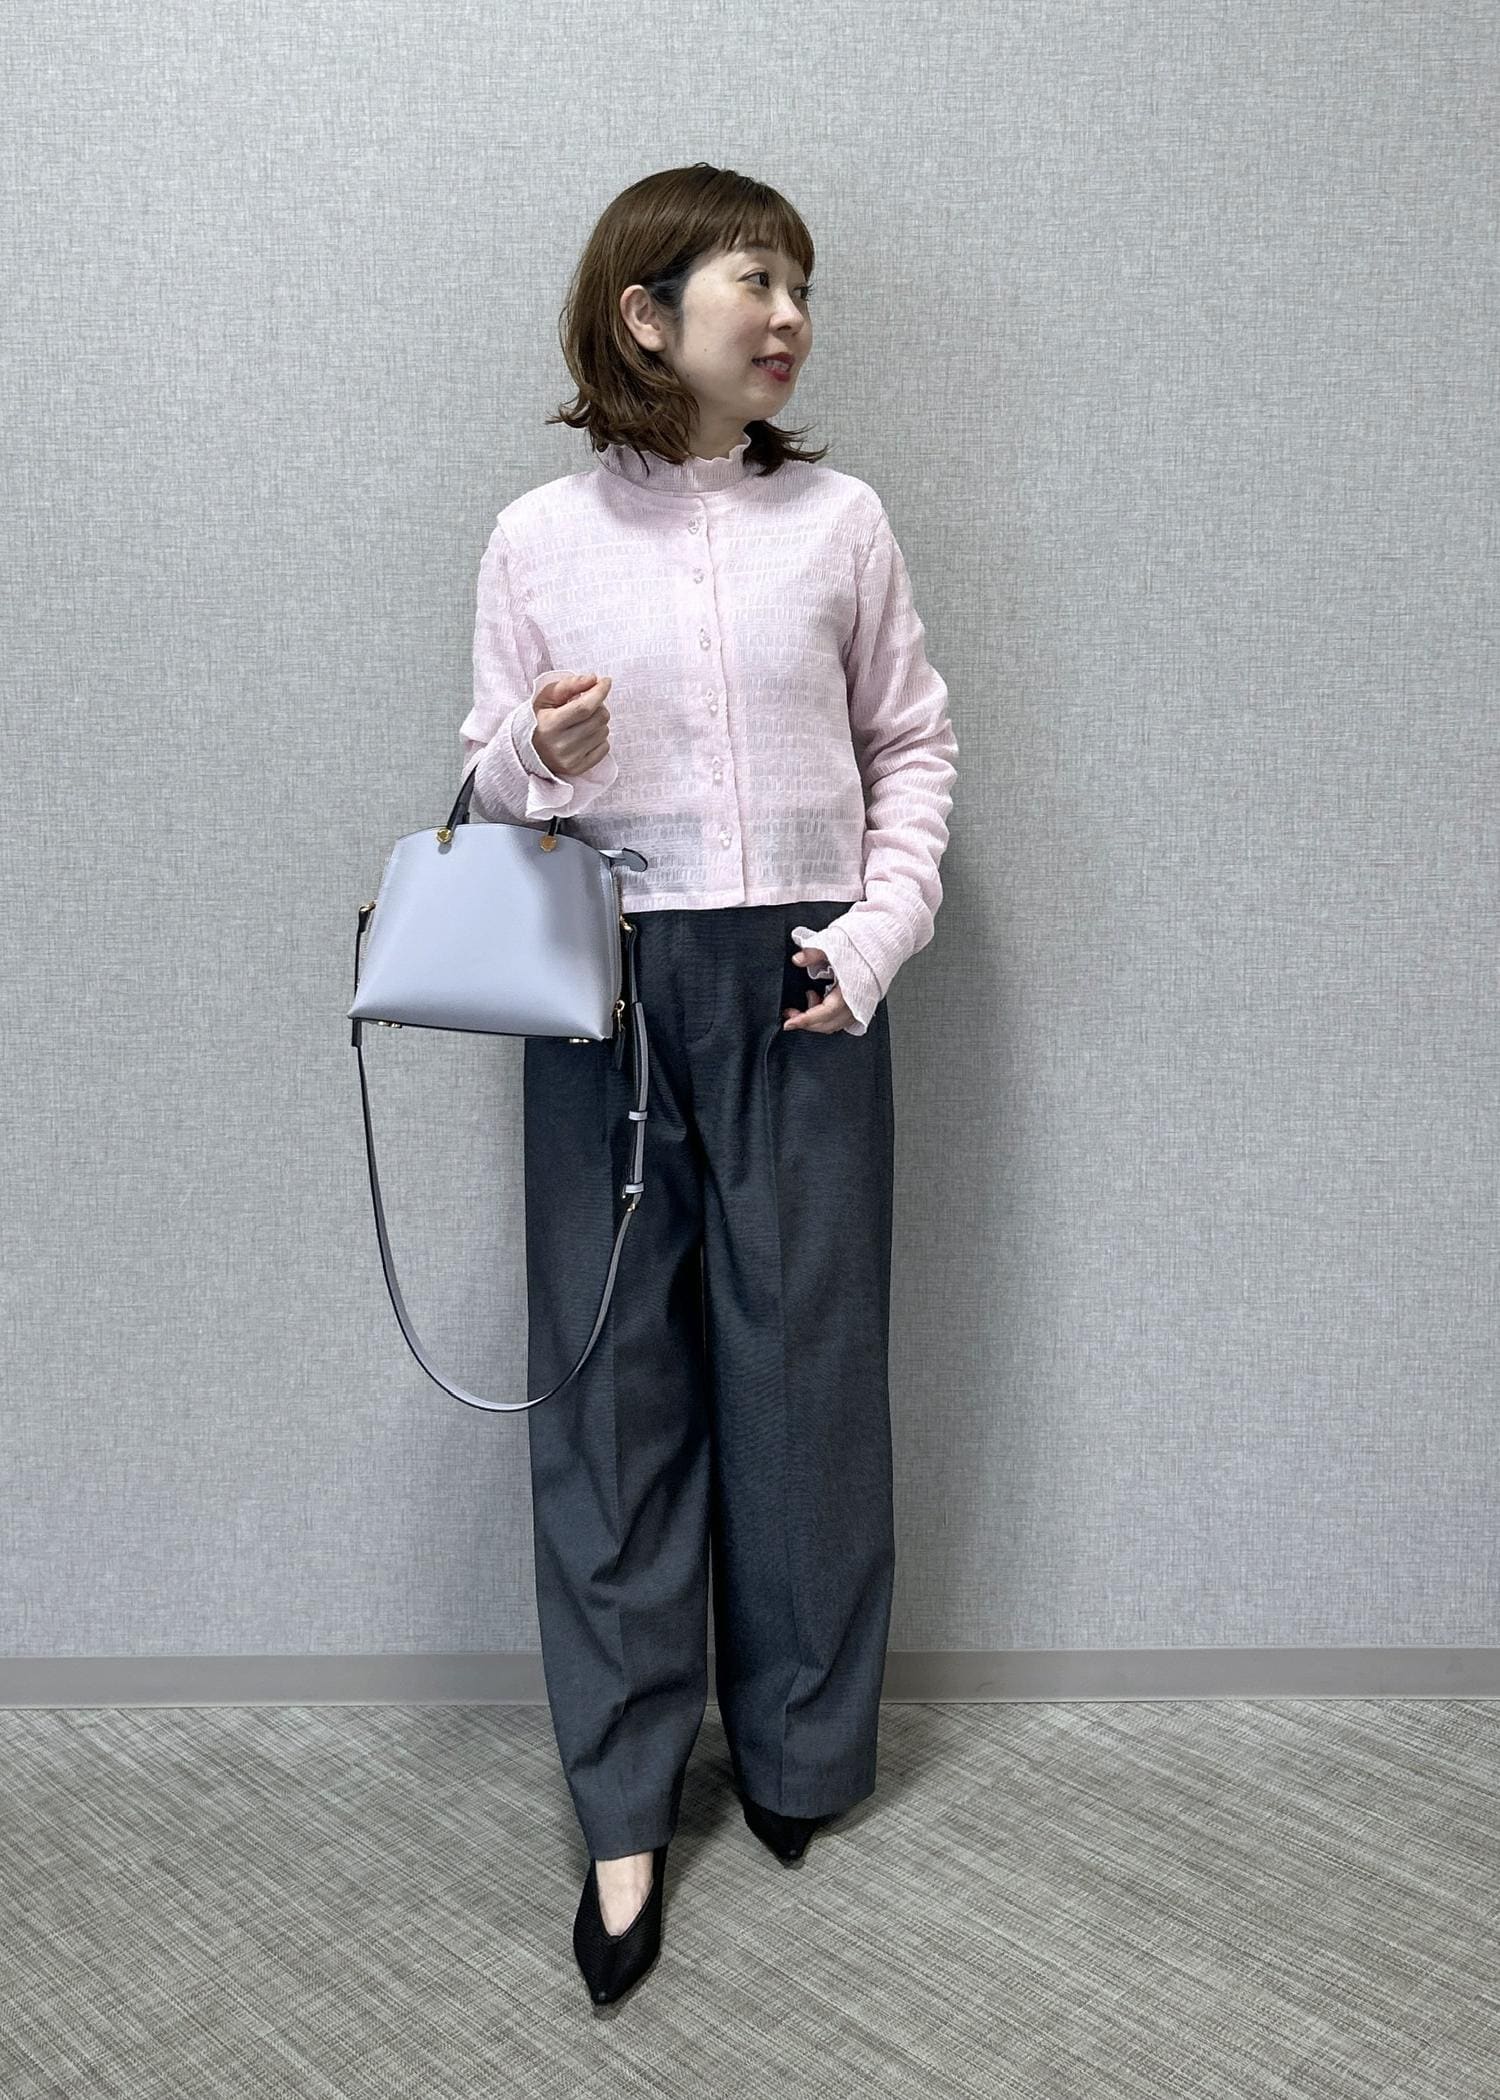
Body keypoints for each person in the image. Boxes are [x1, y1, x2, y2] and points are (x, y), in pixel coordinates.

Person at [458, 162, 959, 2008]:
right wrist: (540, 754)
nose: (793, 314)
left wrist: (875, 933)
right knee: (610, 1396)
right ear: (646, 313)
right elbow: (488, 788)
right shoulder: (536, 538)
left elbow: (912, 744)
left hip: (804, 987)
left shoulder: (841, 522)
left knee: (806, 1377)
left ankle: (804, 1754)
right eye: (759, 278)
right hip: (604, 984)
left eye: (801, 284)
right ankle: (622, 1807)